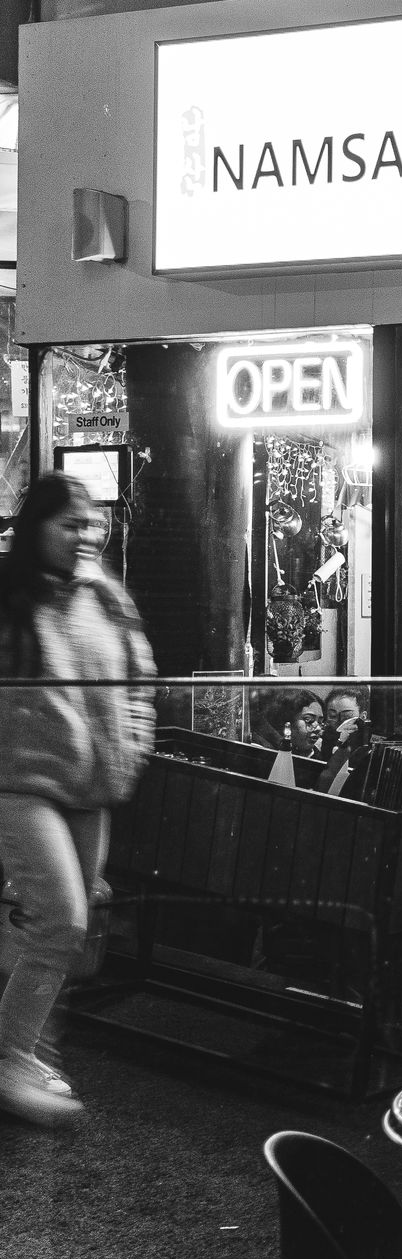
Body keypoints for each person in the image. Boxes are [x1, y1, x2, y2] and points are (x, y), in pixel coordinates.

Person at [0, 472, 155, 1124]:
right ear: (35, 528)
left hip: (93, 789)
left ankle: (32, 1053)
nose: (85, 534)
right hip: (23, 786)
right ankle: (11, 1062)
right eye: (69, 523)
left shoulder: (106, 598)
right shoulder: (8, 601)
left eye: (91, 522)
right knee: (61, 919)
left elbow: (139, 678)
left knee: (61, 932)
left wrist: (133, 748)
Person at [252, 688, 325, 759]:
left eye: (320, 722)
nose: (318, 728)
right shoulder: (261, 751)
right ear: (286, 721)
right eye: (308, 720)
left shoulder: (318, 757)